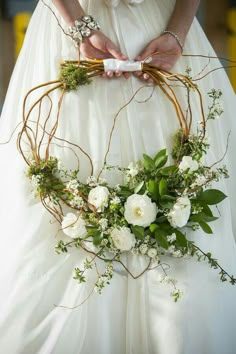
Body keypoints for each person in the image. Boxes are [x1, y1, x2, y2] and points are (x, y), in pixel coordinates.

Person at [0, 0, 236, 353]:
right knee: (59, 205)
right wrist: (78, 25)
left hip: (160, 32)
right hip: (70, 29)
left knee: (186, 189)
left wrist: (178, 30)